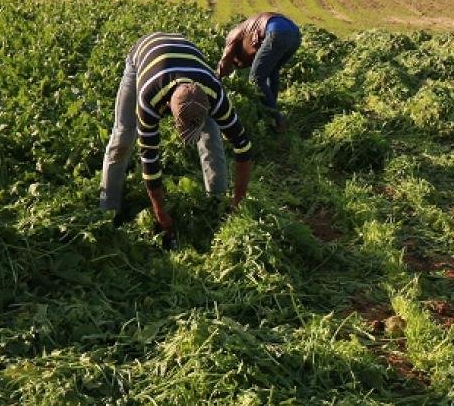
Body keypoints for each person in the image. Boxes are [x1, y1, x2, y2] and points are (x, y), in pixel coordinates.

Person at [99, 32, 253, 242]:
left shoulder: (214, 94)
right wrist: (161, 214)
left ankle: (216, 202)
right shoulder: (149, 99)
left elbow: (243, 147)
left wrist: (238, 203)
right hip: (143, 56)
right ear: (169, 110)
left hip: (188, 55)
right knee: (123, 136)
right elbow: (150, 159)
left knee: (211, 134)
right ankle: (107, 211)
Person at [216, 12, 302, 133]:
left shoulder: (232, 36)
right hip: (295, 35)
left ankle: (277, 119)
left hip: (276, 32)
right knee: (272, 71)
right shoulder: (248, 30)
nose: (240, 65)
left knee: (256, 78)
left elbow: (225, 60)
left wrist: (217, 78)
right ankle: (272, 109)